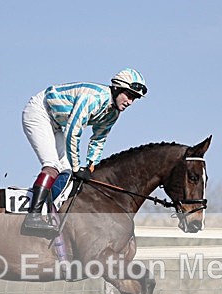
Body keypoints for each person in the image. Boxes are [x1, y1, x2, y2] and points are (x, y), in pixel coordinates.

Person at [20, 68, 147, 235]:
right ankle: (33, 217)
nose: (130, 102)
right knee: (52, 166)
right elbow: (74, 132)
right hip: (40, 112)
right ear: (117, 88)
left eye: (135, 98)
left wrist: (90, 166)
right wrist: (77, 167)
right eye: (129, 95)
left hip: (57, 124)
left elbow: (98, 139)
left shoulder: (113, 114)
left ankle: (48, 210)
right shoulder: (93, 98)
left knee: (65, 171)